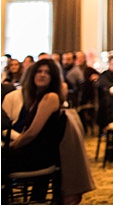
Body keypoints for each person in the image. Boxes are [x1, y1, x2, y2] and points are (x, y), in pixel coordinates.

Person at [1, 59, 66, 202]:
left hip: (39, 157)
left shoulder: (51, 97)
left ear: (53, 78)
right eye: (39, 71)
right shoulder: (38, 97)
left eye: (47, 73)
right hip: (35, 152)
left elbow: (31, 133)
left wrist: (12, 146)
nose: (42, 75)